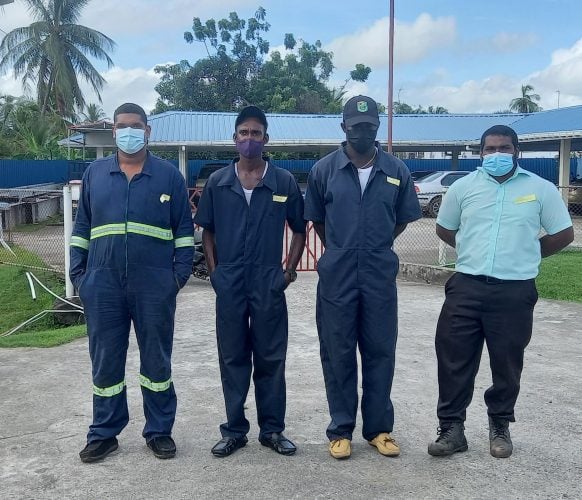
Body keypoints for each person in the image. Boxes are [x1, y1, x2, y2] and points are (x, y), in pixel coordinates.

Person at [428, 124, 574, 459]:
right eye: (490, 149)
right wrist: (471, 250)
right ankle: (451, 429)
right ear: (480, 153)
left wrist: (528, 253)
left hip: (515, 290)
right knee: (453, 359)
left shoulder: (540, 189)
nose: (497, 155)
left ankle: (500, 426)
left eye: (504, 148)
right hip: (467, 286)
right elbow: (444, 228)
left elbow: (564, 234)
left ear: (516, 151)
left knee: (507, 362)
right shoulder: (463, 188)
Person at [70, 103, 195, 463]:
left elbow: (184, 233)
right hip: (102, 285)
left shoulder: (169, 176)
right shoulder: (95, 173)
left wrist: (177, 277)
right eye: (123, 126)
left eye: (136, 126)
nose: (129, 131)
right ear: (113, 131)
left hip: (155, 286)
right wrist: (80, 276)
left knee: (157, 361)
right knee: (105, 361)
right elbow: (83, 228)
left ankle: (159, 431)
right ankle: (104, 433)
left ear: (148, 131)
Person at [304, 95, 422, 459]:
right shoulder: (324, 170)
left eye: (370, 127)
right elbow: (318, 221)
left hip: (378, 274)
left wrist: (375, 246)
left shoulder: (396, 170)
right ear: (343, 128)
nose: (363, 133)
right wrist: (341, 249)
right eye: (356, 127)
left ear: (378, 128)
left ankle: (379, 429)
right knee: (337, 351)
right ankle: (340, 429)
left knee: (380, 351)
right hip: (337, 275)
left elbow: (402, 218)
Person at [194, 105, 306, 457]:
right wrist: (215, 273)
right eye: (243, 133)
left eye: (255, 133)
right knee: (232, 357)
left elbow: (300, 229)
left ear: (266, 139)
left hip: (268, 282)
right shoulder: (218, 182)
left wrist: (287, 271)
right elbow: (207, 231)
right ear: (234, 139)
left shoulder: (282, 181)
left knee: (271, 357)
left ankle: (272, 431)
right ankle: (234, 431)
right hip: (230, 283)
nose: (249, 139)